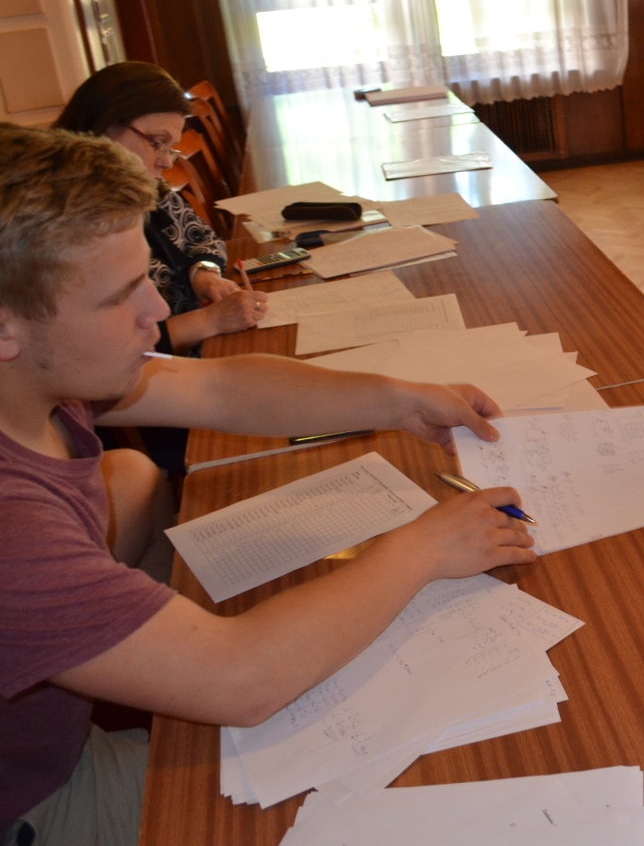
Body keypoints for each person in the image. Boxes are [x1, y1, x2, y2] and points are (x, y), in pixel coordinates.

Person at [0, 125, 537, 846]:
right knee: (352, 794)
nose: (157, 311)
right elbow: (242, 681)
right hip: (40, 799)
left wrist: (398, 399)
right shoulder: (12, 531)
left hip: (48, 741)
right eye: (121, 296)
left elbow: (223, 389)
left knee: (132, 477)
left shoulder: (37, 379)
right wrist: (425, 548)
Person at [55, 63, 265, 474]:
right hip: (148, 407)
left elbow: (201, 237)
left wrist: (203, 273)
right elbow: (100, 351)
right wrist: (207, 322)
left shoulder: (143, 186)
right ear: (104, 124)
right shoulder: (68, 223)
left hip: (202, 367)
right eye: (157, 143)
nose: (166, 162)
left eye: (172, 148)